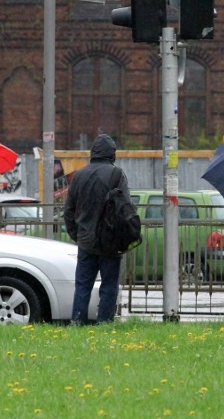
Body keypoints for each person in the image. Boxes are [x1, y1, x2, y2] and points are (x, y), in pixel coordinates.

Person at [64, 134, 128, 324]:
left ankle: (77, 321)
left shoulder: (79, 175)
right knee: (109, 285)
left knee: (82, 285)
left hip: (85, 241)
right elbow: (125, 207)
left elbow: (69, 211)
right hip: (110, 241)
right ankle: (104, 322)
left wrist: (77, 235)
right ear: (111, 154)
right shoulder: (116, 174)